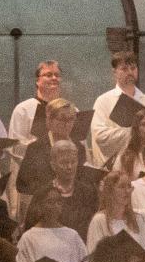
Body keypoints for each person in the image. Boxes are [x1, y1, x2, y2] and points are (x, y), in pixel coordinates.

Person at [6, 60, 65, 216]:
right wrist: (44, 145)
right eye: (48, 75)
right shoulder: (23, 109)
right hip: (30, 178)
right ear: (37, 80)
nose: (54, 78)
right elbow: (14, 147)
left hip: (60, 178)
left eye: (57, 75)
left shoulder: (69, 109)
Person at [88, 51, 145, 168]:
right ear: (114, 72)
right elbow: (100, 136)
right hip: (117, 169)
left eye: (133, 68)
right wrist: (134, 132)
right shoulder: (103, 101)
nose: (130, 72)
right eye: (124, 69)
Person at [25, 138, 97, 240]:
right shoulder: (42, 194)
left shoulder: (88, 192)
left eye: (73, 161)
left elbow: (94, 228)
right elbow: (30, 232)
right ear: (53, 165)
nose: (69, 166)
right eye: (64, 162)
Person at [16, 98, 83, 201]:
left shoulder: (79, 148)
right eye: (62, 119)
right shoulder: (35, 148)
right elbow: (22, 184)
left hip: (74, 206)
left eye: (71, 119)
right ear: (49, 121)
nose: (67, 124)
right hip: (45, 206)